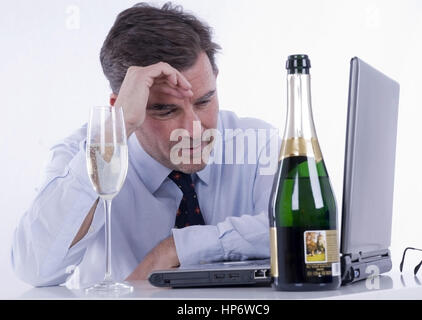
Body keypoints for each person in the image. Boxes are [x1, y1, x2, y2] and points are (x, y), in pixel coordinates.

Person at [11, 2, 278, 287]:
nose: (193, 129)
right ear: (121, 106)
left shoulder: (257, 143)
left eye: (203, 101)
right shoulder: (83, 153)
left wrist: (177, 249)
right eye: (166, 110)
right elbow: (35, 268)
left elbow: (306, 234)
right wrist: (117, 129)